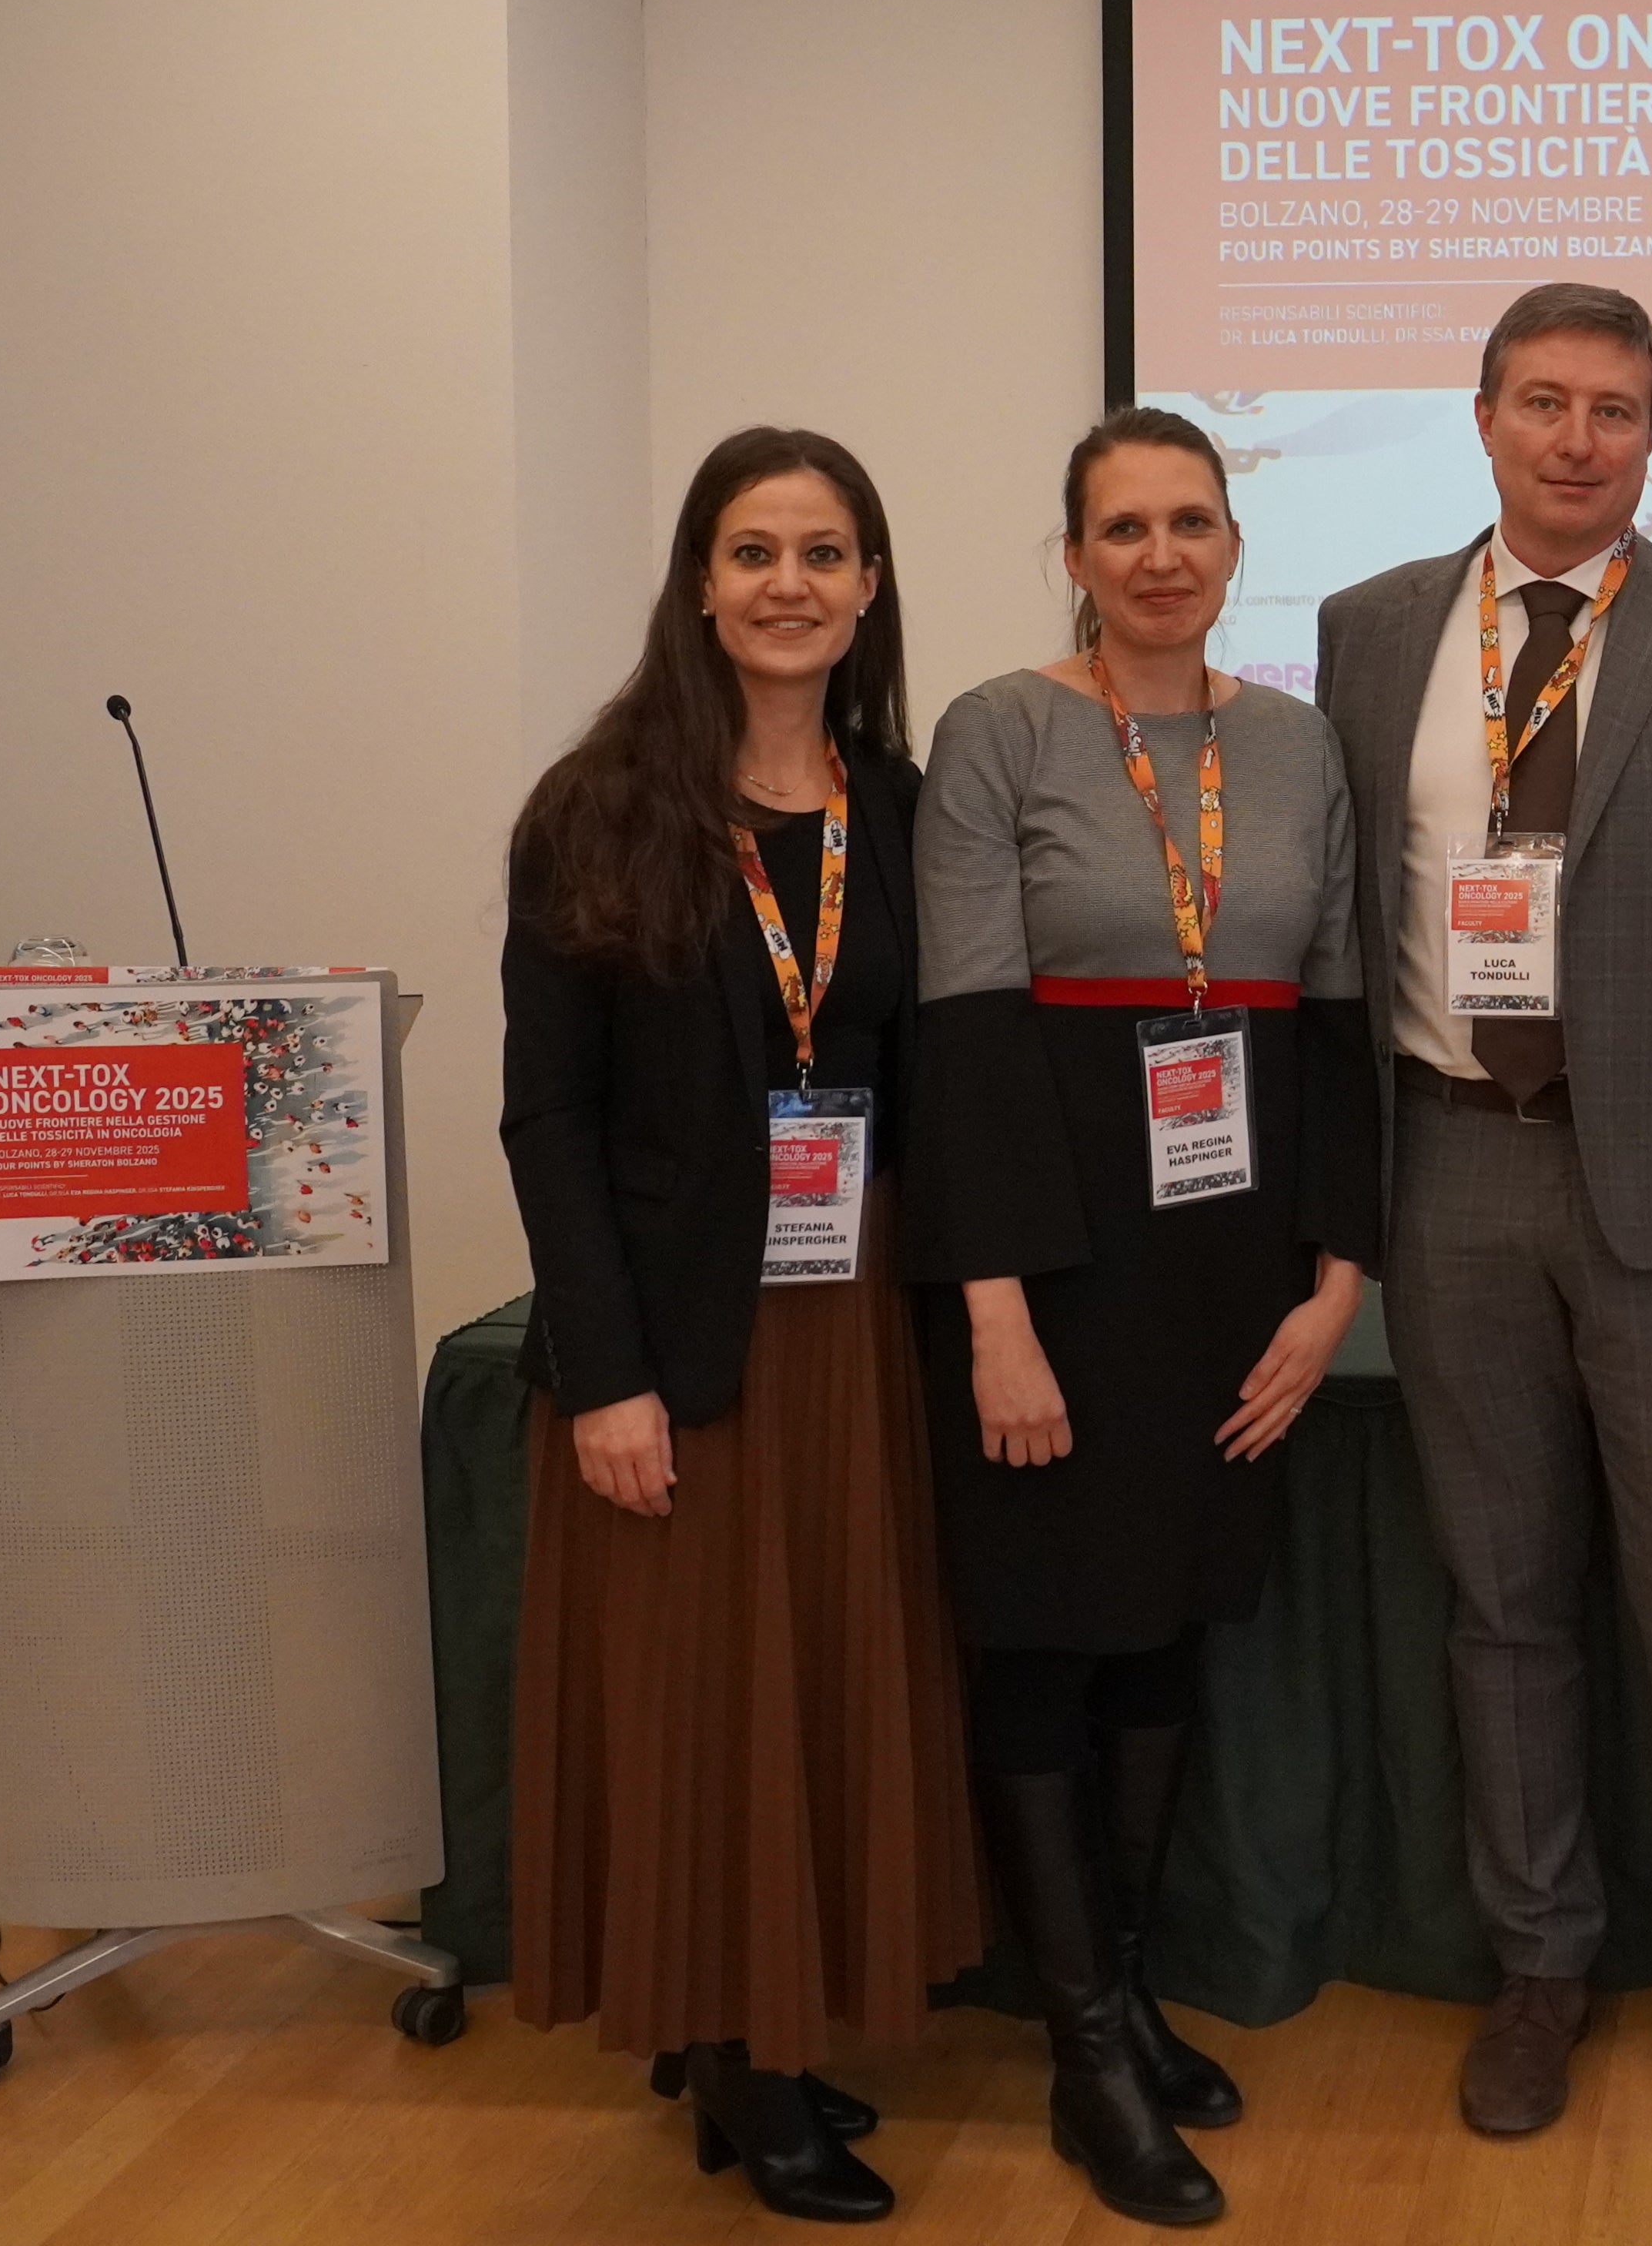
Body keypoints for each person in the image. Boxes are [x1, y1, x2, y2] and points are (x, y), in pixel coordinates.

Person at [1310, 282, 1652, 2167]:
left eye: (1613, 408)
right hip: (1449, 1167)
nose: (1575, 438)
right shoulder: (1372, 628)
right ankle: (1539, 1960)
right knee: (1504, 1600)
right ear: (1483, 417)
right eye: (1542, 401)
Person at [500, 426, 984, 2224]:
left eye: (825, 551)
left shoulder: (906, 804)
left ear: (871, 587)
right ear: (701, 583)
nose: (792, 582)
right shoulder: (597, 810)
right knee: (704, 1698)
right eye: (756, 549)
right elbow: (547, 1121)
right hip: (676, 1332)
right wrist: (605, 1375)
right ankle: (741, 2055)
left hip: (850, 1321)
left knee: (813, 1674)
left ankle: (754, 2027)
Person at [905, 406, 1376, 2228]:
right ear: (1075, 555)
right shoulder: (999, 729)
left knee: (1173, 1618)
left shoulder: (1298, 743)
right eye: (1124, 527)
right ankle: (1087, 2044)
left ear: (1235, 542)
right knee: (1047, 1634)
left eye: (1192, 520)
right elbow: (962, 1031)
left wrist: (1336, 1277)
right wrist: (994, 1311)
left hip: (1232, 1252)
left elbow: (1332, 1013)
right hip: (1056, 1250)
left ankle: (1121, 1992)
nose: (1162, 554)